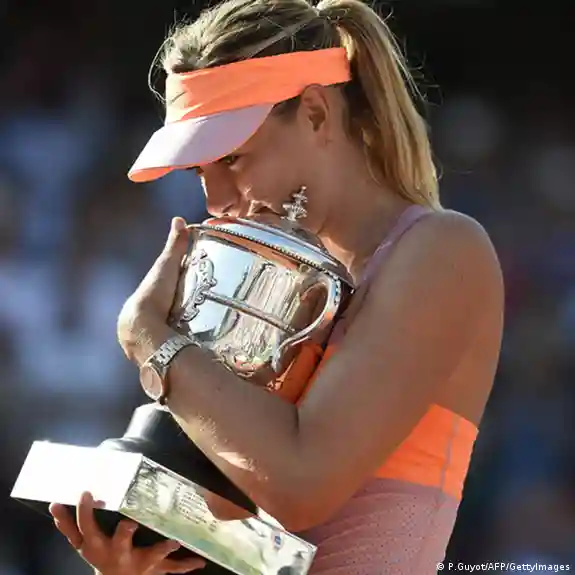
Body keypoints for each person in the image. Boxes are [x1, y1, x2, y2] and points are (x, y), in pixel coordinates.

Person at [49, 0, 504, 573]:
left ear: (314, 113)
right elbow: (253, 543)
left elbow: (301, 484)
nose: (217, 202)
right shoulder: (270, 277)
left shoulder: (444, 250)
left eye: (234, 159)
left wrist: (150, 339)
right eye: (200, 172)